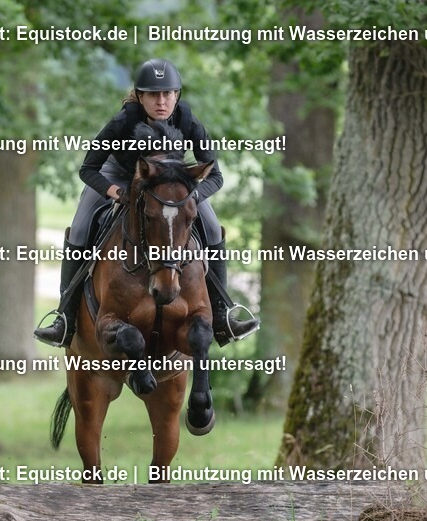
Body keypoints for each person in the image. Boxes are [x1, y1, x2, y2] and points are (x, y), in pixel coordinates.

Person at [34, 57, 260, 348]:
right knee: (79, 229)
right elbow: (88, 169)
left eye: (168, 93)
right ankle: (64, 320)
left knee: (214, 229)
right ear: (140, 96)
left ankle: (223, 314)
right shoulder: (123, 122)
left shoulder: (187, 121)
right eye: (153, 94)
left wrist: (187, 200)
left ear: (177, 95)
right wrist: (116, 192)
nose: (161, 101)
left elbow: (215, 175)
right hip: (119, 177)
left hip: (171, 186)